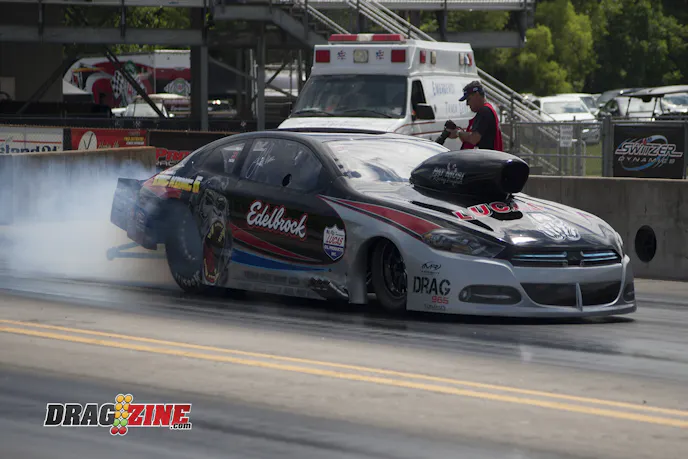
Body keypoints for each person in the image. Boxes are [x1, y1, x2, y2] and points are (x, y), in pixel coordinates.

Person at [447, 81, 504, 151]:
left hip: (487, 157)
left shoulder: (484, 111)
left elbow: (473, 139)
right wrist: (462, 132)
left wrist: (457, 133)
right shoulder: (488, 109)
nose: (467, 104)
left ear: (477, 95)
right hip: (491, 155)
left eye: (468, 99)